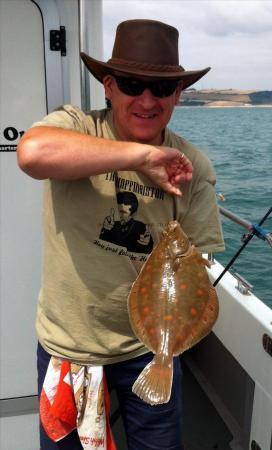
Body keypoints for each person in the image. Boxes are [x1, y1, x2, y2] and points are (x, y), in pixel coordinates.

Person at [17, 19, 224, 450]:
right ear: (109, 86)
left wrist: (174, 340)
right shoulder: (76, 126)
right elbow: (33, 153)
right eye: (132, 84)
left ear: (178, 95)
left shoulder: (192, 165)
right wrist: (142, 156)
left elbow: (198, 261)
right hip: (70, 348)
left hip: (151, 352)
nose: (147, 100)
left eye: (162, 89)